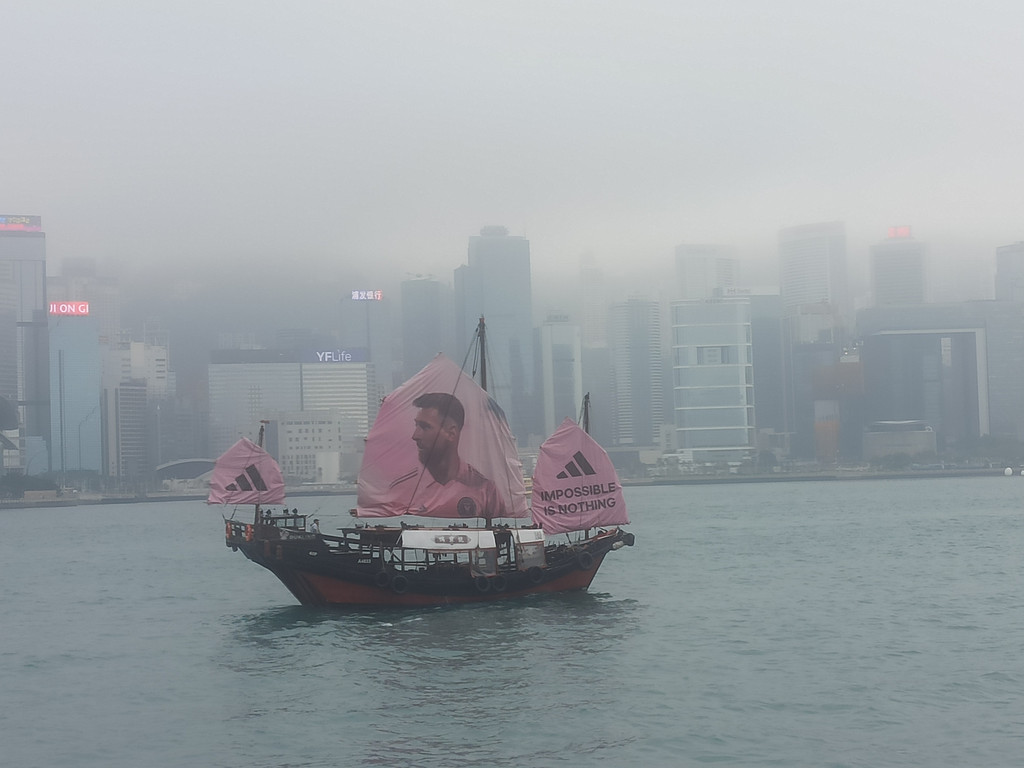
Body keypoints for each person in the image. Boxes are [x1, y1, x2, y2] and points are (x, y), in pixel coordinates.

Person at [390, 391, 506, 518]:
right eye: (416, 425)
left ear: (451, 433)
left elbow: (501, 527)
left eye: (425, 427)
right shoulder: (401, 488)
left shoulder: (486, 491)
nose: (415, 436)